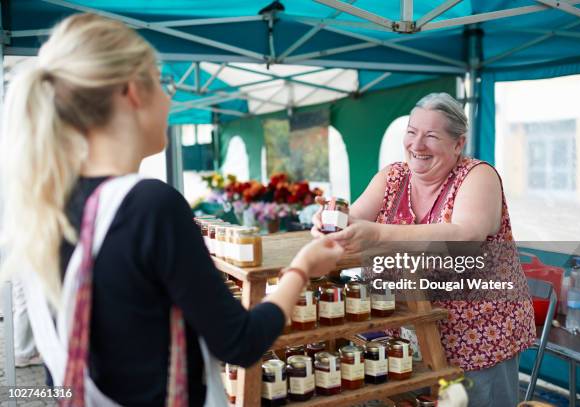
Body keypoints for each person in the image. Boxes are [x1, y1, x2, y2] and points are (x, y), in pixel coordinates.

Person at [0, 13, 343, 406]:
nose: (169, 98)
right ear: (132, 91)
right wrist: (302, 268)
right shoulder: (150, 206)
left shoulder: (47, 207)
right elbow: (241, 342)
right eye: (164, 84)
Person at [313, 93, 536, 407]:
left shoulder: (477, 176)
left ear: (458, 144)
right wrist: (329, 219)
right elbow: (353, 217)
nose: (417, 145)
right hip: (407, 335)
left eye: (431, 136)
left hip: (477, 337)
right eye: (412, 132)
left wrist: (377, 233)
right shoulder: (393, 177)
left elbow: (465, 236)